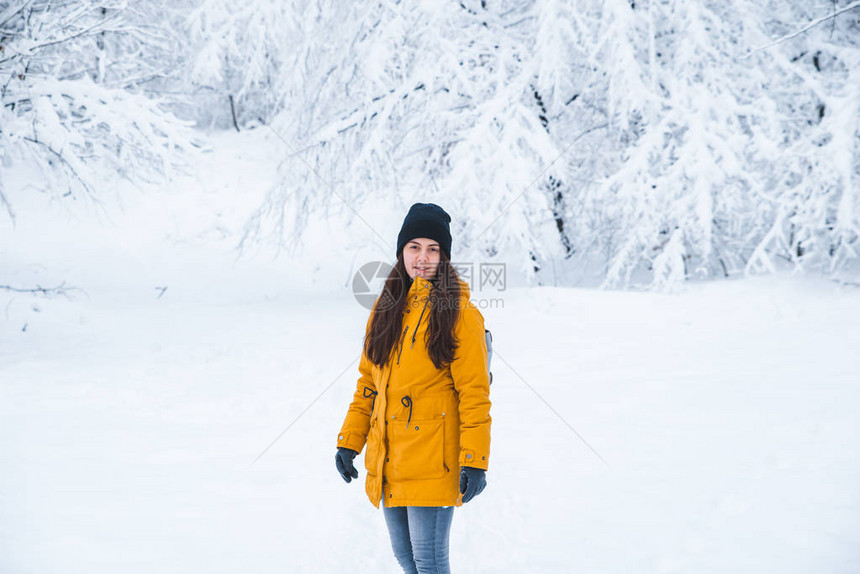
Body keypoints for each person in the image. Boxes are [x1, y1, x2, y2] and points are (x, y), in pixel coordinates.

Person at [335, 202, 492, 574]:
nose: (423, 257)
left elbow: (474, 394)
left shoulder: (459, 313)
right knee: (408, 561)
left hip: (433, 460)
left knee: (429, 564)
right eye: (414, 247)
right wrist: (349, 441)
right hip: (391, 457)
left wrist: (475, 460)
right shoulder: (385, 309)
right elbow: (368, 385)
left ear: (444, 257)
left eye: (433, 248)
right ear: (401, 252)